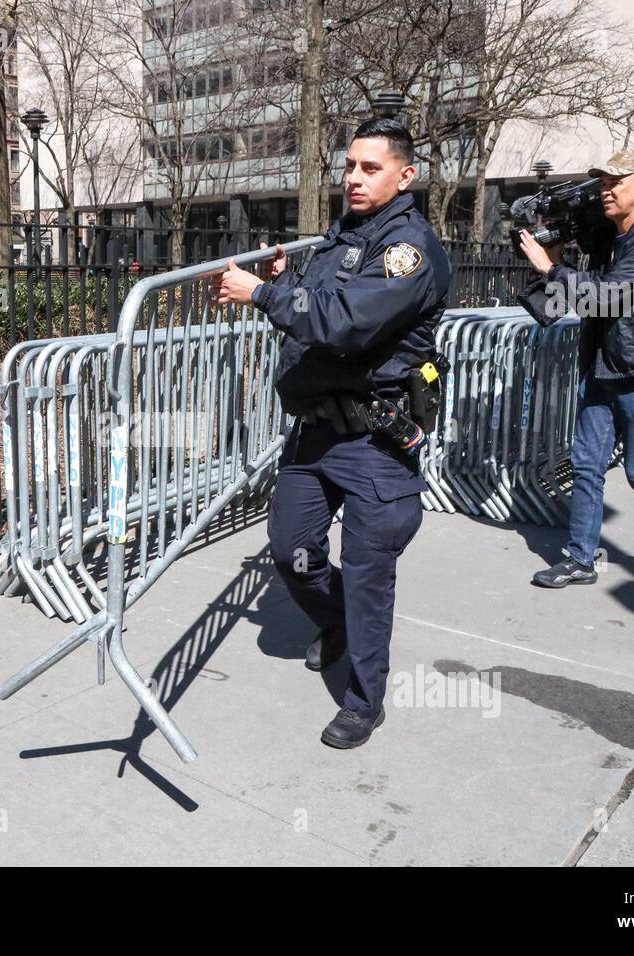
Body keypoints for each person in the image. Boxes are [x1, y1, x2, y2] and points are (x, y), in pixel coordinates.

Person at [213, 116, 449, 750]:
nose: (353, 178)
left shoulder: (409, 249)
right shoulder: (345, 235)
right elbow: (315, 311)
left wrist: (263, 295)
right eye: (349, 166)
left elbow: (346, 323)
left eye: (370, 168)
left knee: (370, 576)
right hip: (314, 432)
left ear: (406, 175)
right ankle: (337, 620)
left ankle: (365, 700)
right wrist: (286, 282)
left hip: (374, 440)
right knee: (292, 549)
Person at [519, 150, 634, 588]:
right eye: (601, 183)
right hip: (602, 367)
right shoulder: (609, 241)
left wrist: (553, 267)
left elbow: (610, 296)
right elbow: (583, 299)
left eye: (616, 182)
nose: (606, 190)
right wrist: (554, 263)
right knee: (586, 465)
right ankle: (580, 559)